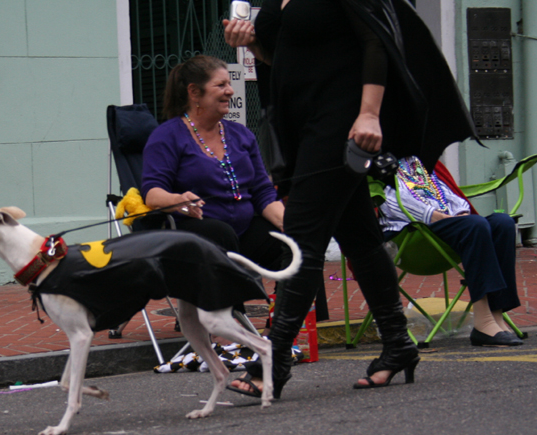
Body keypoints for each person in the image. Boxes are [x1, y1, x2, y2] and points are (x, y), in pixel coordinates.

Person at [222, 0, 478, 397]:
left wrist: (369, 114)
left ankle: (274, 360)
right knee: (359, 235)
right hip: (300, 123)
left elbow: (376, 40)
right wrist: (251, 43)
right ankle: (398, 344)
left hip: (341, 120)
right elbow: (285, 55)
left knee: (301, 237)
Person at [141, 55, 288, 275]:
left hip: (241, 231)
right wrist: (178, 200)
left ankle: (292, 299)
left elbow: (262, 190)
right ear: (194, 92)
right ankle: (234, 298)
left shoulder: (241, 134)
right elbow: (152, 194)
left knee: (291, 244)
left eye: (229, 84)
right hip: (194, 234)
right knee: (221, 233)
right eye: (221, 85)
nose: (230, 91)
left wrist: (288, 223)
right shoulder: (167, 136)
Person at [379, 156, 522, 346]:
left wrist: (460, 212)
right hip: (412, 235)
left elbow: (446, 192)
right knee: (475, 225)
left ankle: (496, 316)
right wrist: (438, 216)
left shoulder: (419, 161)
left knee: (503, 223)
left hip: (448, 227)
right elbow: (390, 203)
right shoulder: (378, 163)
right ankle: (483, 321)